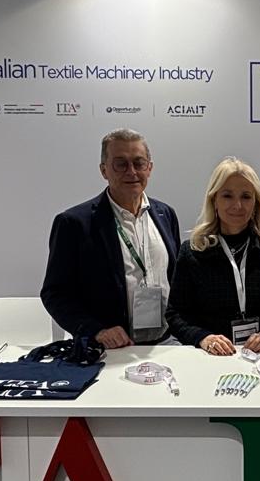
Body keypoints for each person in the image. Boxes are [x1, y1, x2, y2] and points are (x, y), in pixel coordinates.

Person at [41, 129, 180, 348]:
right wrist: (96, 331)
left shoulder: (166, 214)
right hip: (110, 349)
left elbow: (177, 281)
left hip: (166, 343)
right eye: (120, 164)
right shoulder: (74, 223)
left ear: (149, 168)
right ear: (104, 170)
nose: (131, 171)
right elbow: (55, 294)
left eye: (139, 163)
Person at [167, 158, 260, 356]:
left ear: (256, 203)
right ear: (214, 200)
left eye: (246, 196)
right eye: (227, 196)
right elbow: (176, 314)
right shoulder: (192, 251)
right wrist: (203, 338)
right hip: (209, 358)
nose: (237, 205)